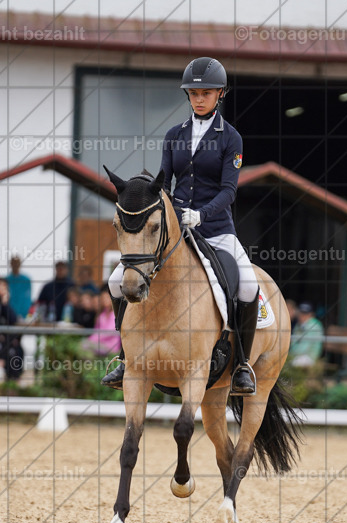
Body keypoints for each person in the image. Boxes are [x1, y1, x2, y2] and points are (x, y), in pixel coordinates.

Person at [103, 56, 261, 396]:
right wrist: (168, 213)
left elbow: (229, 191)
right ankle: (124, 356)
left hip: (216, 229)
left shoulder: (231, 138)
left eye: (206, 93)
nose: (199, 98)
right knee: (118, 281)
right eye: (193, 93)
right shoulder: (174, 135)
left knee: (247, 286)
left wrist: (201, 214)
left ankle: (242, 366)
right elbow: (164, 183)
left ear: (220, 94)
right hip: (176, 232)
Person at [83, 290, 121, 357]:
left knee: (86, 345)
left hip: (111, 346)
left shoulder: (115, 314)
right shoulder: (101, 315)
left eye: (107, 298)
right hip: (99, 343)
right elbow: (96, 330)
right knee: (84, 344)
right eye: (103, 299)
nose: (105, 300)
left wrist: (92, 339)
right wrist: (91, 339)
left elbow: (110, 332)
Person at [288, 302, 323, 367]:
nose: (302, 316)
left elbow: (304, 347)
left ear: (310, 314)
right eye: (301, 313)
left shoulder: (314, 325)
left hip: (309, 356)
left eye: (305, 313)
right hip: (297, 356)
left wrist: (291, 355)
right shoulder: (298, 324)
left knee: (291, 364)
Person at [4, 256, 33, 320]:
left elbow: (28, 298)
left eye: (17, 263)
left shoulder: (26, 280)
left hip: (24, 315)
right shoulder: (6, 280)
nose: (15, 265)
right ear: (10, 264)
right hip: (9, 316)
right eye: (13, 263)